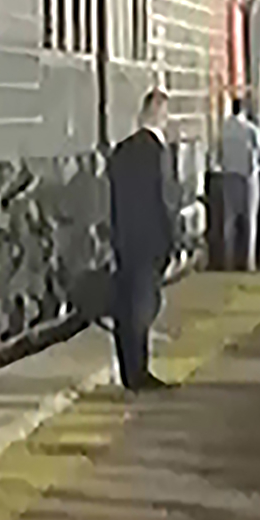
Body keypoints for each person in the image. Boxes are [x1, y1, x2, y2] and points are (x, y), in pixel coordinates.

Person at [105, 90, 176, 391]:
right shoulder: (160, 154)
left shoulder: (120, 151)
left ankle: (128, 372)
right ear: (162, 117)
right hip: (151, 245)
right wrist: (171, 243)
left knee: (126, 308)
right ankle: (141, 373)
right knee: (143, 309)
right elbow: (166, 202)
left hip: (125, 243)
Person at [214, 96, 260, 271]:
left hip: (228, 176)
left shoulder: (224, 129)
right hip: (247, 177)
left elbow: (218, 152)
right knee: (250, 220)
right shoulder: (250, 129)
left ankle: (228, 260)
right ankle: (249, 262)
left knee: (230, 221)